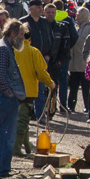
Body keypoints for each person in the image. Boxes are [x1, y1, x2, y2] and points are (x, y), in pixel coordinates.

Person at [0, 20, 26, 177]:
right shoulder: (3, 49)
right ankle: (2, 170)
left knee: (2, 133)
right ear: (13, 33)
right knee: (6, 134)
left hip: (3, 96)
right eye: (21, 34)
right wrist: (9, 92)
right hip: (4, 97)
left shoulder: (4, 47)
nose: (23, 38)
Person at [15, 23, 55, 153]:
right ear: (30, 38)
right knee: (22, 121)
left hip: (14, 91)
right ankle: (16, 149)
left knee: (23, 120)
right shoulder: (33, 52)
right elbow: (41, 72)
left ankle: (27, 147)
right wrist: (50, 83)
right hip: (28, 91)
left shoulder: (11, 50)